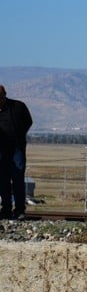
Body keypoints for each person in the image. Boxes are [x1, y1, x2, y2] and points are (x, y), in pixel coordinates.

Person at [0, 85, 33, 220]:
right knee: (3, 180)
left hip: (17, 149)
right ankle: (6, 210)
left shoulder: (18, 106)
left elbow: (28, 121)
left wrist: (19, 135)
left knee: (18, 178)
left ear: (4, 95)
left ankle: (19, 210)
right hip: (1, 150)